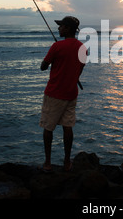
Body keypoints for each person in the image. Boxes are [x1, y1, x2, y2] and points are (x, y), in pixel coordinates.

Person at [39, 16, 86, 172]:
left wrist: (50, 59)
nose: (58, 29)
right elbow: (79, 71)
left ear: (67, 29)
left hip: (54, 93)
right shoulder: (83, 48)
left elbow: (43, 67)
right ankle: (67, 162)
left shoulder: (56, 46)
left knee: (48, 128)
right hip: (71, 93)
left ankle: (47, 162)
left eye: (61, 26)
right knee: (68, 127)